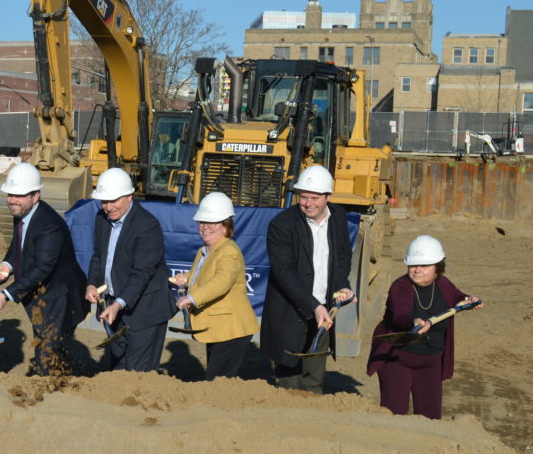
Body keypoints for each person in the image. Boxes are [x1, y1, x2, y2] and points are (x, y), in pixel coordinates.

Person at [0, 162, 87, 376]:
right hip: (42, 297)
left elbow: (42, 268)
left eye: (19, 195)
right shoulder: (22, 213)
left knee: (49, 357)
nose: (12, 200)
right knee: (44, 350)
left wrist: (5, 295)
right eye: (10, 194)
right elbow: (18, 246)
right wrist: (7, 264)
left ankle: (52, 390)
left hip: (59, 300)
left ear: (35, 196)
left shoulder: (49, 226)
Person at [259, 164, 355, 392]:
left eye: (314, 198)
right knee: (289, 382)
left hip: (324, 309)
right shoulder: (282, 225)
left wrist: (343, 285)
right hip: (290, 311)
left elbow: (342, 256)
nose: (308, 203)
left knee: (314, 378)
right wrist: (313, 305)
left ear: (328, 197)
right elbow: (284, 272)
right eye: (303, 197)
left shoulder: (338, 218)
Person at [367, 235, 481, 419]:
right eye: (413, 265)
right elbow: (400, 314)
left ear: (437, 268)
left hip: (431, 362)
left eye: (424, 266)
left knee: (431, 417)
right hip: (397, 360)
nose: (417, 270)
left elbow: (458, 298)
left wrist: (469, 300)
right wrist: (413, 322)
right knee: (394, 414)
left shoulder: (443, 285)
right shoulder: (400, 286)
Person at [84, 167, 171, 373]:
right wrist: (92, 284)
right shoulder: (101, 218)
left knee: (138, 375)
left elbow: (142, 274)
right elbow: (98, 256)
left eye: (114, 201)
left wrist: (119, 304)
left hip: (146, 311)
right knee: (118, 370)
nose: (108, 207)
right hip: (116, 309)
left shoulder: (147, 225)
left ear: (129, 196)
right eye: (104, 201)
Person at [173, 191, 258, 380]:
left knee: (217, 381)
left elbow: (222, 280)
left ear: (225, 227)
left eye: (212, 223)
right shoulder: (205, 251)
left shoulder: (229, 251)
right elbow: (204, 274)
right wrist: (186, 277)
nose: (205, 227)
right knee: (216, 380)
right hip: (217, 328)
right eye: (202, 222)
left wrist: (192, 297)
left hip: (231, 329)